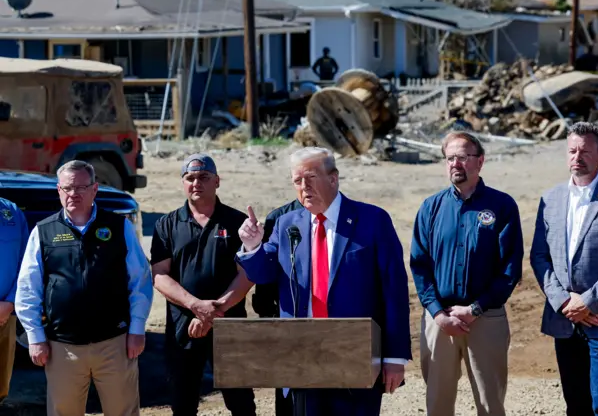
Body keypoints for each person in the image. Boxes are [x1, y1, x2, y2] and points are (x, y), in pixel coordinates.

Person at [236, 146, 411, 416]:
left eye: (311, 177)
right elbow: (262, 274)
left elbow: (394, 291)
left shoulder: (372, 220)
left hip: (356, 354)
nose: (304, 187)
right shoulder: (286, 225)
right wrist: (252, 246)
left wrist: (395, 357)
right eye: (297, 180)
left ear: (333, 178)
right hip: (301, 354)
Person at [14, 160, 153, 416]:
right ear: (58, 190)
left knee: (123, 411)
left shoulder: (118, 227)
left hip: (115, 343)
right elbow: (27, 289)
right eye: (67, 188)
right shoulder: (43, 232)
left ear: (95, 189)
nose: (73, 194)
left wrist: (136, 329)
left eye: (81, 187)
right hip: (62, 347)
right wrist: (35, 337)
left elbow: (140, 281)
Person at [410, 130, 524, 416]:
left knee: (490, 403)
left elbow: (510, 269)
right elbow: (420, 265)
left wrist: (475, 308)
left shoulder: (502, 206)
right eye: (450, 158)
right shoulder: (430, 208)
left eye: (462, 157)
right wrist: (437, 313)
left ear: (480, 161)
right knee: (437, 403)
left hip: (486, 319)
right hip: (440, 321)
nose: (455, 164)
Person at [530, 122, 598, 416]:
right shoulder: (550, 199)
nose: (577, 157)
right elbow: (539, 257)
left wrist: (587, 302)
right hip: (563, 318)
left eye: (585, 151)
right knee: (575, 403)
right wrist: (565, 302)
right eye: (572, 151)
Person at [150, 153, 256, 416]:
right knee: (183, 403)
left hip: (230, 327)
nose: (196, 183)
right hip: (184, 329)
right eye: (190, 178)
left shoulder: (236, 222)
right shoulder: (166, 224)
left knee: (241, 402)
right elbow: (159, 275)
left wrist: (214, 311)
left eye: (204, 177)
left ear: (217, 181)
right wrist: (196, 306)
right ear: (183, 183)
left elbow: (247, 274)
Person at [250, 198, 302, 416]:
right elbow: (268, 273)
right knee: (288, 393)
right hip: (286, 318)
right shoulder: (279, 218)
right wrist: (267, 314)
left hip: (328, 320)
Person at [0, 198, 29, 404]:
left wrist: (10, 302)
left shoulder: (11, 211)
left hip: (4, 315)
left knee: (0, 385)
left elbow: (25, 261)